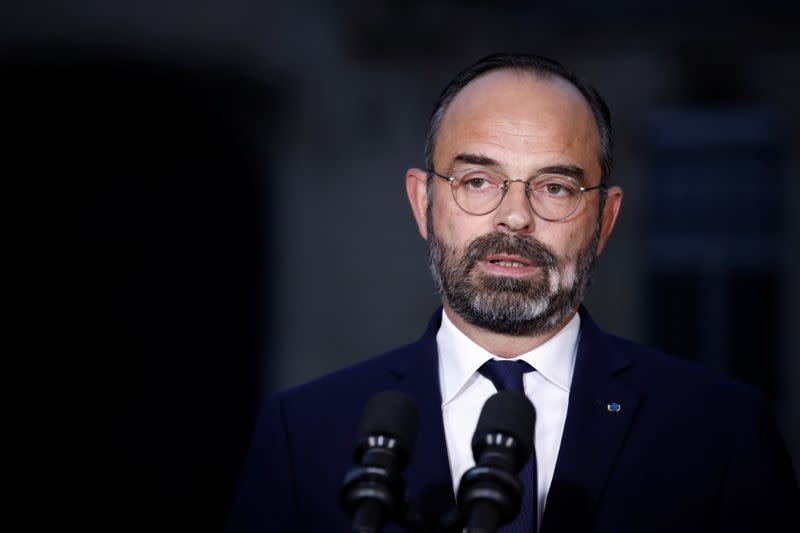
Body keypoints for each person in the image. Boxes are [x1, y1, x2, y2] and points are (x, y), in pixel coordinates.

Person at [226, 53, 799, 533]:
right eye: (478, 181)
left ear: (604, 219)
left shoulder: (719, 430)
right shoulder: (303, 432)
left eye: (555, 187)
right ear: (423, 204)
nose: (515, 217)